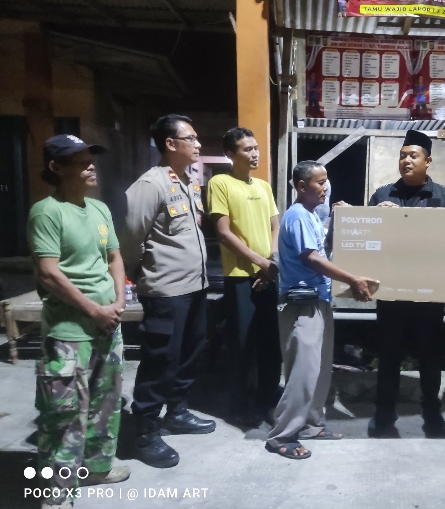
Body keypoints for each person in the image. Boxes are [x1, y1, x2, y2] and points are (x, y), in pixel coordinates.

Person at [28, 135, 129, 509]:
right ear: (56, 168)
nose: (91, 165)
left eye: (91, 158)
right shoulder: (47, 211)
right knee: (65, 413)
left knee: (106, 404)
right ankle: (56, 493)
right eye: (80, 160)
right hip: (70, 332)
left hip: (108, 325)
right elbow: (49, 273)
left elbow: (114, 258)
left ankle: (97, 468)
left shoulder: (99, 209)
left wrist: (118, 303)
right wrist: (94, 310)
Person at [121, 114, 215, 469]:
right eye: (191, 138)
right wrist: (135, 274)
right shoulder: (150, 185)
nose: (198, 144)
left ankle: (176, 411)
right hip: (165, 291)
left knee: (190, 353)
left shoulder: (189, 181)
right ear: (170, 144)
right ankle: (145, 431)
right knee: (161, 360)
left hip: (195, 286)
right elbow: (131, 236)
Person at [266, 160, 377, 459]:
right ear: (302, 186)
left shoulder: (313, 216)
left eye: (326, 181)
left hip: (319, 301)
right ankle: (282, 435)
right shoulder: (298, 216)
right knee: (302, 373)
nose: (325, 187)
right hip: (301, 306)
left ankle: (311, 425)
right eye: (319, 182)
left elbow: (324, 248)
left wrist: (340, 221)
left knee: (318, 370)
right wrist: (352, 279)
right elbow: (312, 258)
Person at [366, 130, 445, 438]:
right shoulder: (382, 195)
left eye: (413, 156)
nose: (406, 160)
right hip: (390, 290)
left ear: (427, 161)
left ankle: (432, 412)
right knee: (388, 355)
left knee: (430, 355)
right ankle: (384, 413)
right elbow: (367, 239)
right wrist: (374, 217)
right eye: (402, 156)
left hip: (428, 292)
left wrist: (409, 218)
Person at [207, 127, 282, 427]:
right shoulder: (220, 183)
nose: (255, 153)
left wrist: (271, 261)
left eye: (256, 148)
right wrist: (260, 262)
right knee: (242, 345)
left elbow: (275, 226)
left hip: (268, 274)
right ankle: (239, 405)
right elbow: (224, 233)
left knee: (271, 344)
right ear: (230, 154)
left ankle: (268, 401)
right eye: (247, 149)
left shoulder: (263, 186)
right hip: (240, 276)